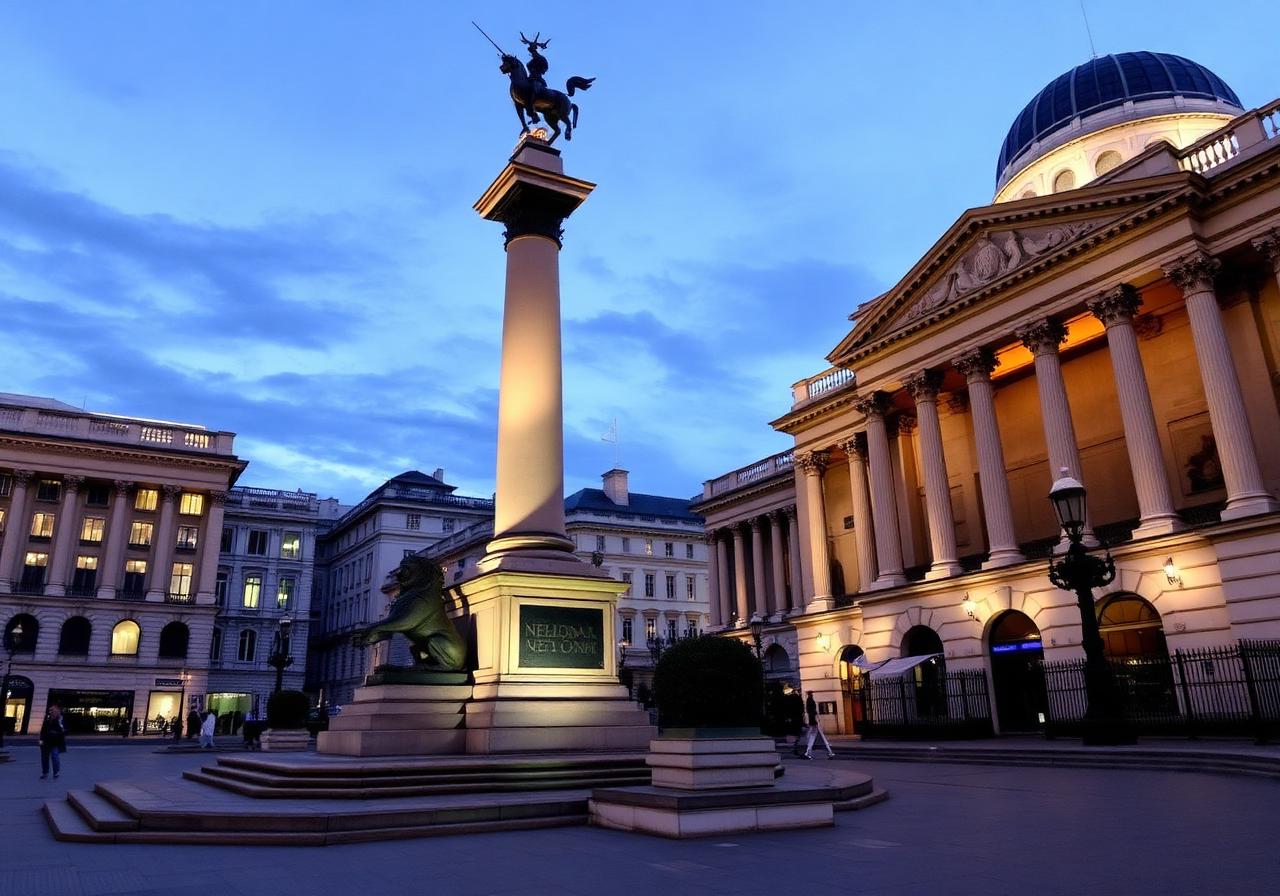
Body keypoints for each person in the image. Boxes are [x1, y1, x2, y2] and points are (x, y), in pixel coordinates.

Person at [803, 691, 835, 760]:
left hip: (812, 721)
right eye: (811, 694)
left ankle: (808, 753)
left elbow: (809, 711)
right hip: (814, 721)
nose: (812, 695)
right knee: (822, 737)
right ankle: (830, 752)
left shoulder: (808, 701)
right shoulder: (811, 701)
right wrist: (816, 719)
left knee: (812, 738)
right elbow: (813, 711)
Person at [39, 705, 67, 780]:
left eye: (52, 711)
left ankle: (56, 772)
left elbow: (63, 731)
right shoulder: (47, 719)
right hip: (46, 742)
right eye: (50, 711)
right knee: (44, 758)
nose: (50, 712)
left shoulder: (59, 720)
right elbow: (42, 731)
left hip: (55, 742)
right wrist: (41, 741)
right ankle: (45, 772)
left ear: (56, 712)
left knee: (55, 757)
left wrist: (56, 732)